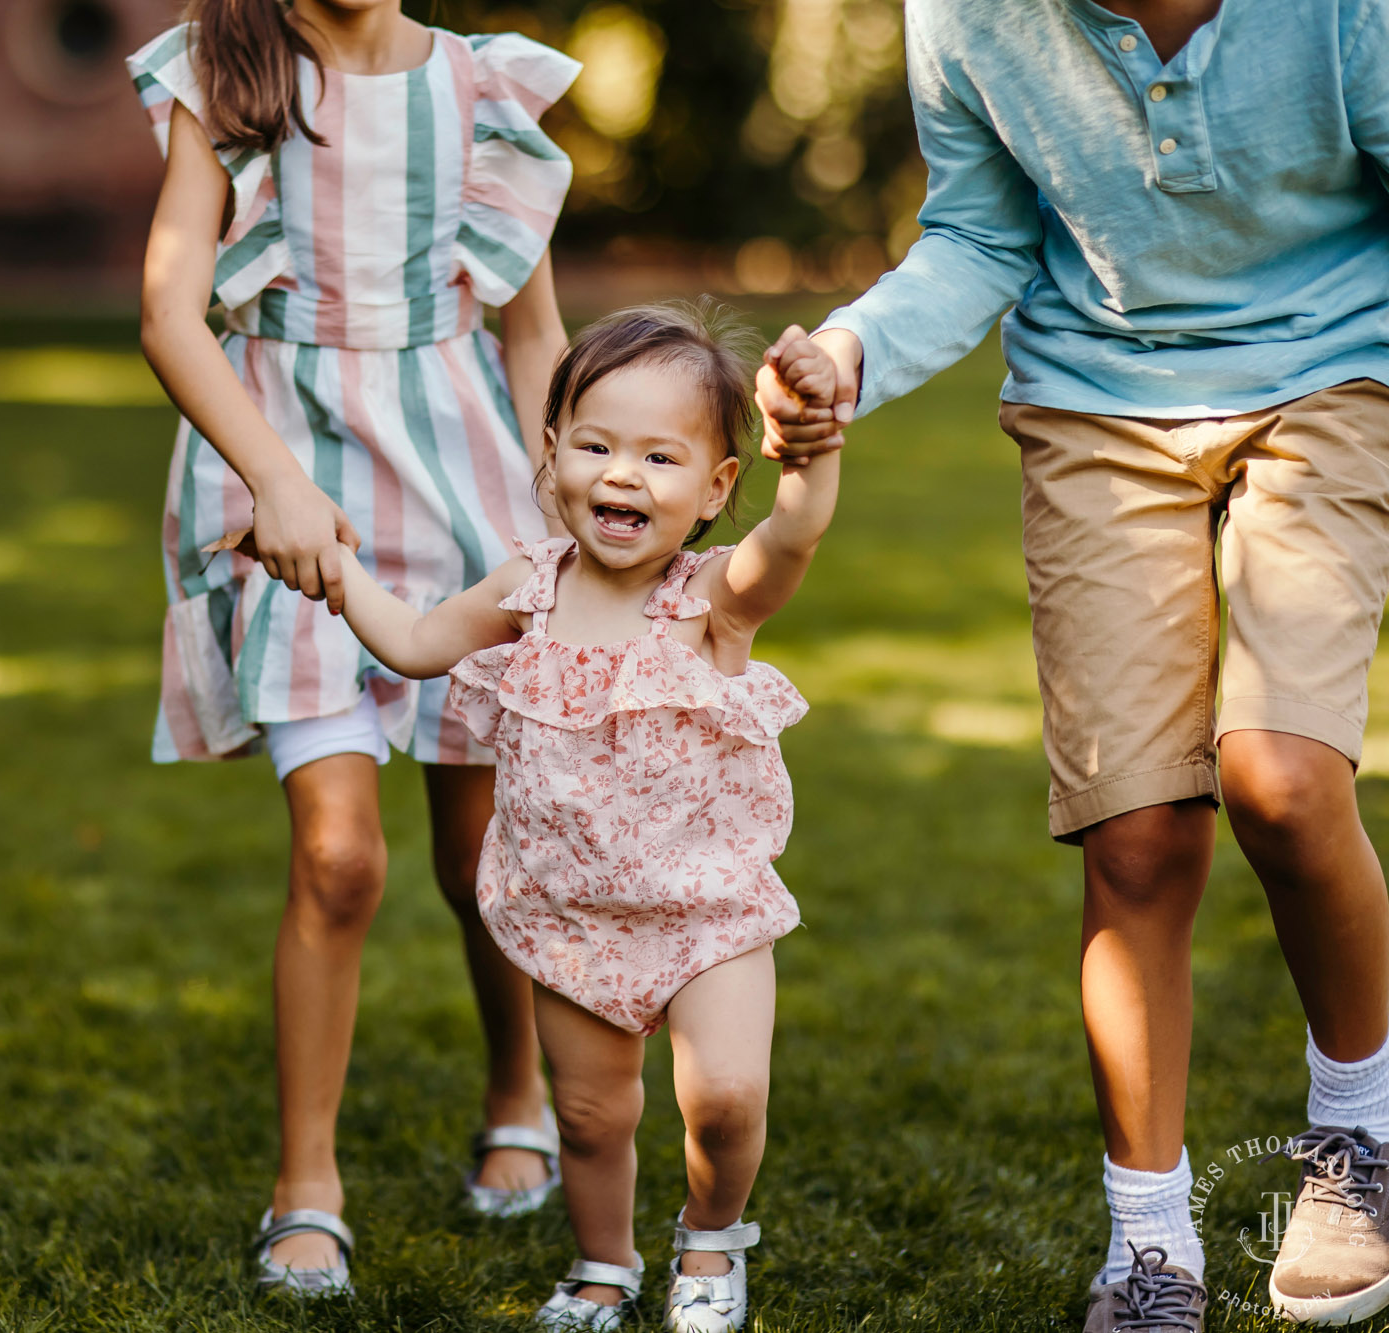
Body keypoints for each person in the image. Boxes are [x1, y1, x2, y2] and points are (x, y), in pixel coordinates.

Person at [758, 1, 1389, 1327]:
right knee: (1137, 831)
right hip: (1098, 397)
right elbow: (980, 232)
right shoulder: (971, 13)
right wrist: (850, 351)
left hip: (1337, 375)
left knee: (1279, 777)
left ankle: (1362, 1144)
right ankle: (1149, 1248)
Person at [126, 0, 582, 1297]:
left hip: (464, 500)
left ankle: (518, 1095)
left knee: (479, 850)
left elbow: (529, 326)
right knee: (338, 857)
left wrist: (568, 497)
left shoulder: (483, 89)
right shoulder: (226, 72)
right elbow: (170, 312)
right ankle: (306, 1185)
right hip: (292, 504)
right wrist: (271, 481)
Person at [324, 303, 842, 1331]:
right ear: (550, 453)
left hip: (706, 909)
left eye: (659, 456)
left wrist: (808, 455)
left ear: (711, 488)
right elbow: (419, 644)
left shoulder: (708, 601)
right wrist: (336, 569)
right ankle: (603, 1264)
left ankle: (707, 1239)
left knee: (726, 1097)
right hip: (566, 907)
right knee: (590, 1115)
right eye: (596, 445)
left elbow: (789, 538)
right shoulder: (529, 586)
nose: (620, 475)